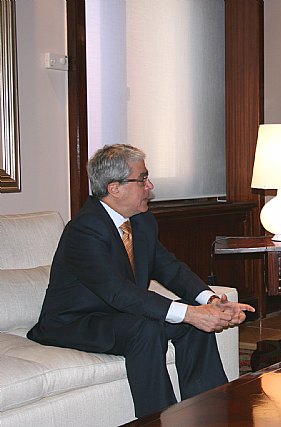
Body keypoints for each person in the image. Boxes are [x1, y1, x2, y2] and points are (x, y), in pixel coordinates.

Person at [28, 144, 254, 418]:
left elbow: (170, 268)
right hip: (75, 322)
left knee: (191, 324)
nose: (150, 185)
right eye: (143, 178)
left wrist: (211, 301)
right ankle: (160, 419)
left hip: (121, 314)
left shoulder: (142, 221)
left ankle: (212, 415)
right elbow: (118, 293)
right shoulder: (84, 230)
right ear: (115, 188)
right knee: (146, 329)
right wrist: (191, 314)